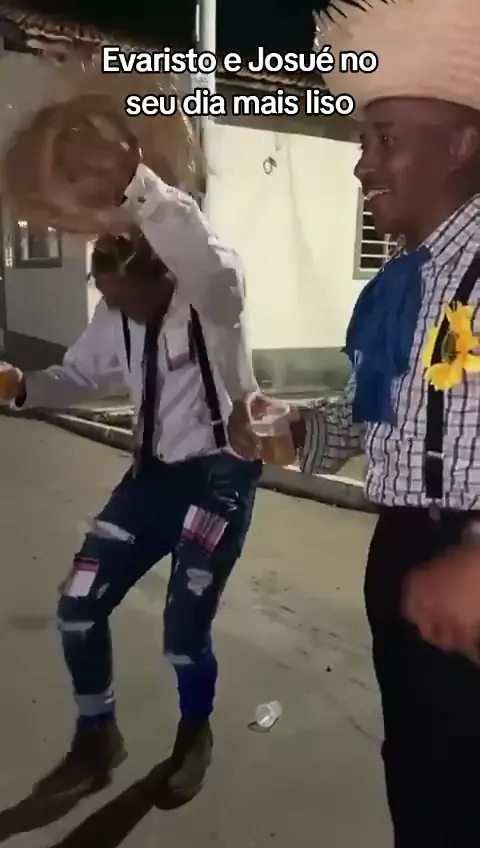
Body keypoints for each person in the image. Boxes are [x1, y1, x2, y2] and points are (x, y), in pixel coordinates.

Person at [0, 139, 266, 802]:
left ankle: (194, 733)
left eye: (130, 299)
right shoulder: (115, 311)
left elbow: (199, 250)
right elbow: (79, 375)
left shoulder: (214, 292)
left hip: (219, 479)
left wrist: (136, 184)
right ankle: (98, 736)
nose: (121, 311)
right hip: (151, 478)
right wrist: (21, 385)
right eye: (110, 299)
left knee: (183, 632)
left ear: (163, 276)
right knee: (77, 607)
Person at [292, 0, 480, 844]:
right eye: (363, 140)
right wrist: (300, 431)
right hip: (405, 549)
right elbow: (393, 411)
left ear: (461, 144)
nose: (361, 164)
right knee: (424, 777)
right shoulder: (406, 282)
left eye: (384, 138)